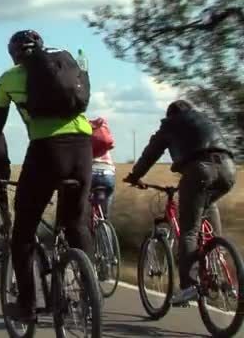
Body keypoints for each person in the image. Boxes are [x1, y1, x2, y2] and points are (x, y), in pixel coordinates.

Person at [0, 29, 94, 321]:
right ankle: (88, 293)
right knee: (75, 224)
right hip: (83, 148)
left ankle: (28, 305)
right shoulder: (66, 65)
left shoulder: (8, 79)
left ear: (13, 55)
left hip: (47, 150)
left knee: (22, 233)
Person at [124, 99, 236, 305]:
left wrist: (135, 175)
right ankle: (218, 263)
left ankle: (189, 286)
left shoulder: (170, 124)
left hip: (200, 170)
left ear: (170, 115)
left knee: (189, 231)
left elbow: (151, 152)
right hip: (228, 169)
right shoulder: (204, 119)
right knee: (208, 204)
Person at [89, 117, 116, 218]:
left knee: (83, 204)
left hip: (91, 173)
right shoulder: (104, 143)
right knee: (104, 214)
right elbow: (112, 145)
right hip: (108, 174)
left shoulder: (87, 138)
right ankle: (104, 224)